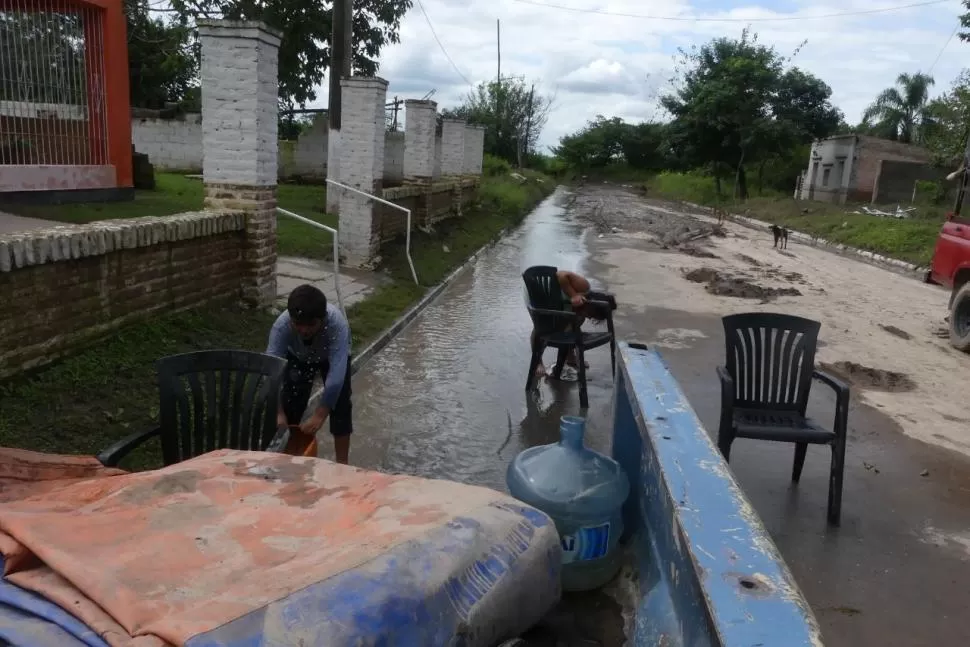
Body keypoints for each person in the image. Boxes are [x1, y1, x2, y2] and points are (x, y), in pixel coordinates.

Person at [266, 284, 353, 464]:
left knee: (341, 406)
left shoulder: (337, 325)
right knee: (291, 405)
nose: (304, 330)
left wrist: (320, 413)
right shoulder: (281, 327)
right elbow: (270, 371)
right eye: (298, 324)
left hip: (331, 356)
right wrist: (278, 413)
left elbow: (336, 378)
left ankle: (343, 466)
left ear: (323, 319)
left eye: (311, 324)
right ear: (291, 319)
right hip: (297, 355)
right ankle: (289, 458)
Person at [532, 269, 613, 378]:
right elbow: (561, 275)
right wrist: (573, 295)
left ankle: (570, 357)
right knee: (542, 327)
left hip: (557, 304)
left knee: (574, 324)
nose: (589, 317)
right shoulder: (584, 287)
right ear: (592, 305)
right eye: (591, 314)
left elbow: (571, 329)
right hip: (539, 293)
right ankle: (537, 362)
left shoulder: (582, 314)